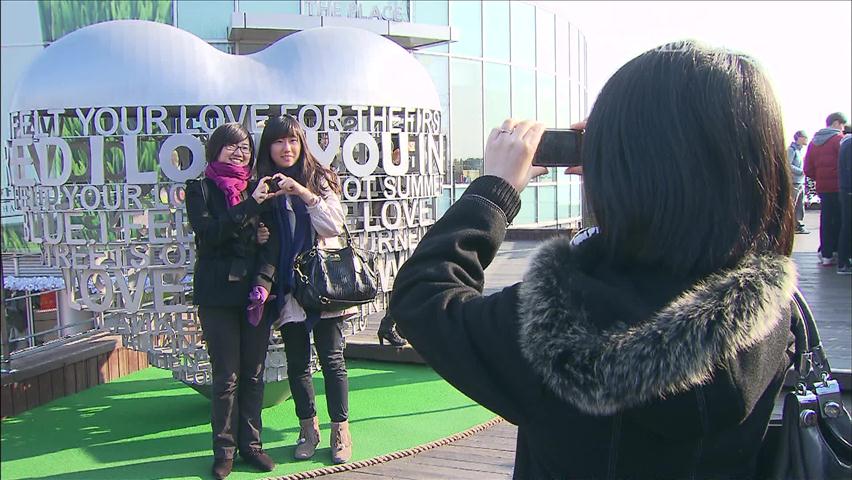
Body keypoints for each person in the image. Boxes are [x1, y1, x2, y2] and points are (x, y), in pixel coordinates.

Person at [389, 41, 797, 478]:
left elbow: (423, 299)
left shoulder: (563, 327)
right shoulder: (771, 307)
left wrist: (494, 189)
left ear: (627, 166)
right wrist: (620, 171)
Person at [252, 115, 355, 465]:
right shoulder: (262, 186)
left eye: (293, 141)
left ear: (302, 143)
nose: (287, 148)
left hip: (322, 285)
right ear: (269, 147)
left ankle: (341, 428)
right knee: (297, 365)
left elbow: (333, 224)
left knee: (332, 359)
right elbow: (255, 231)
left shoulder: (320, 178)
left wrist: (303, 193)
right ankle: (307, 428)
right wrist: (257, 233)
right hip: (288, 288)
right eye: (279, 142)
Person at [185, 122, 281, 479]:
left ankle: (252, 445)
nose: (239, 153)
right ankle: (224, 450)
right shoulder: (201, 190)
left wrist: (265, 282)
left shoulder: (260, 189)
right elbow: (208, 235)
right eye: (231, 146)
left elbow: (270, 244)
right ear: (216, 150)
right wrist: (248, 211)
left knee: (254, 374)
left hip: (255, 295)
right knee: (226, 376)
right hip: (217, 295)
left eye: (244, 148)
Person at [376, 138, 408, 347]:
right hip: (386, 238)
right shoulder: (381, 175)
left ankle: (393, 324)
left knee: (402, 281)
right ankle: (389, 325)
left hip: (399, 236)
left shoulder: (392, 174)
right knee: (396, 282)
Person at [805, 112, 847, 266]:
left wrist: (820, 177)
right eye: (842, 124)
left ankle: (826, 254)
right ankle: (837, 253)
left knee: (826, 219)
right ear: (836, 123)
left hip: (822, 188)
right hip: (839, 187)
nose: (843, 128)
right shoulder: (839, 140)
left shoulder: (813, 142)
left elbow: (807, 169)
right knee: (841, 220)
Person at [788, 130, 809, 233]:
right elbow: (788, 164)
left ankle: (798, 225)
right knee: (792, 204)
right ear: (799, 138)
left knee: (800, 205)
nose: (807, 140)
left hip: (800, 182)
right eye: (805, 137)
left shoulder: (800, 151)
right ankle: (789, 226)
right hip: (794, 182)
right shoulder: (792, 150)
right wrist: (802, 171)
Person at [838, 125, 852, 274]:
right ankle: (843, 263)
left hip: (845, 189)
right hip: (849, 190)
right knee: (848, 226)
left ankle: (844, 261)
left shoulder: (845, 143)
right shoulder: (850, 144)